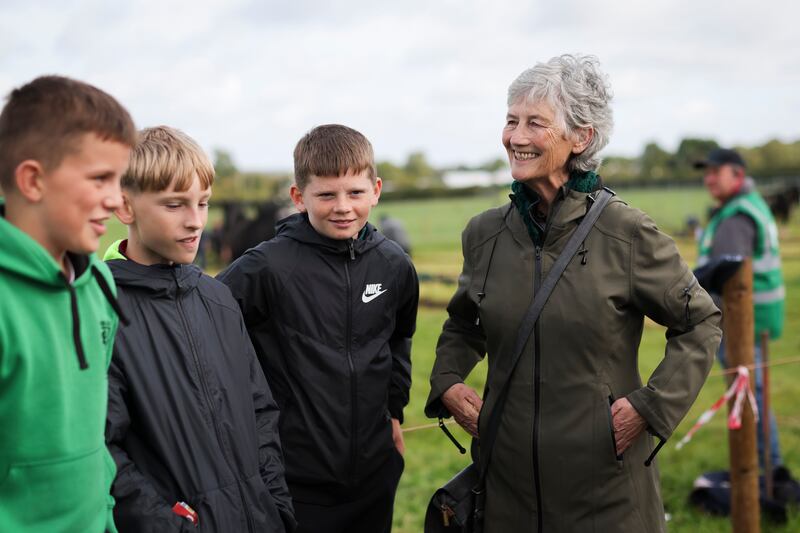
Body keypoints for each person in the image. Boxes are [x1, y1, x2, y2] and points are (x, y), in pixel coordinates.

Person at [424, 54, 722, 532]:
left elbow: (701, 321)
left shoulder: (626, 233)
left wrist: (649, 406)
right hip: (506, 492)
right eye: (511, 120)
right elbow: (464, 322)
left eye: (535, 123)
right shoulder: (483, 235)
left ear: (581, 137)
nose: (515, 137)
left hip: (605, 492)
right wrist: (448, 381)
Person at [218, 124, 419, 533]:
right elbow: (206, 326)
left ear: (376, 190)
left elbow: (399, 339)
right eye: (326, 194)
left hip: (374, 477)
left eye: (356, 193)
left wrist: (393, 413)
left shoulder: (394, 264)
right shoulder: (266, 268)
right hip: (296, 482)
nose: (343, 206)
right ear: (298, 197)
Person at [104, 126, 295, 532]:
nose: (196, 222)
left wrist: (275, 506)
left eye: (203, 203)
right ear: (125, 207)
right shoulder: (101, 311)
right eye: (175, 205)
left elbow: (261, 413)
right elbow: (104, 449)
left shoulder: (220, 300)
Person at [0, 76, 135, 532]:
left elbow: (95, 442)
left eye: (119, 180)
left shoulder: (99, 283)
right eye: (100, 178)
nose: (116, 199)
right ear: (33, 180)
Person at [695, 147, 786, 472]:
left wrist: (686, 284)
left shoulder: (735, 216)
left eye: (715, 172)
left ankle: (766, 471)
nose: (708, 179)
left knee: (750, 396)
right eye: (706, 173)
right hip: (752, 320)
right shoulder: (747, 206)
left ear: (738, 175)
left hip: (740, 323)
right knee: (751, 394)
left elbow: (725, 269)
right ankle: (763, 468)